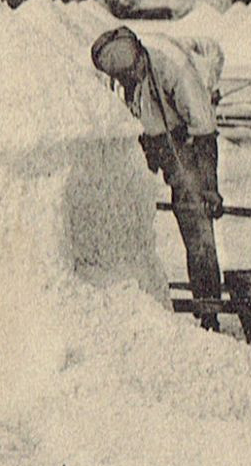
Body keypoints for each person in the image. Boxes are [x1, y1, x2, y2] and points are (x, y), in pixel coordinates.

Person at [91, 27, 224, 314]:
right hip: (135, 138)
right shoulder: (106, 73)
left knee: (195, 214)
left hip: (180, 138)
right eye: (124, 79)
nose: (132, 79)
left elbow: (204, 132)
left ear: (141, 56)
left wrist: (208, 187)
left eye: (135, 73)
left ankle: (209, 308)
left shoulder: (174, 67)